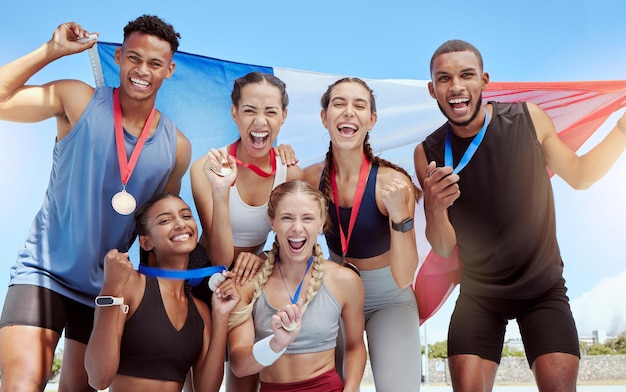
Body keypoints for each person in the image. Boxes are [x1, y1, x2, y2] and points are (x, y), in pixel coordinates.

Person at [413, 39, 626, 392]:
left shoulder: (527, 118)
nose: (456, 86)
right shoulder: (428, 152)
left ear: (484, 80)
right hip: (479, 293)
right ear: (432, 89)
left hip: (542, 289)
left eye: (466, 75)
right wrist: (434, 207)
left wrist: (620, 131)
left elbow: (580, 175)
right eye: (444, 78)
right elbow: (444, 246)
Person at [0, 15, 191, 392]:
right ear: (118, 56)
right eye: (134, 58)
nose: (142, 70)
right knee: (22, 383)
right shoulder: (78, 99)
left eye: (155, 63)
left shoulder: (177, 148)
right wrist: (50, 51)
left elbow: (157, 233)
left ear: (169, 71)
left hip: (105, 289)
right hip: (43, 272)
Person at [303, 77, 422, 391]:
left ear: (372, 120)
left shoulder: (392, 183)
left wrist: (400, 217)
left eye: (359, 105)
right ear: (324, 116)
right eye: (339, 103)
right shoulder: (310, 178)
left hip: (389, 297)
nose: (348, 112)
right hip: (335, 294)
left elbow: (405, 274)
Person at [189, 71, 303, 391]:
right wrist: (221, 191)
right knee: (200, 378)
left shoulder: (290, 171)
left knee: (245, 375)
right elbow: (220, 255)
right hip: (205, 274)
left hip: (255, 278)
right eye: (250, 110)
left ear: (283, 116)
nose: (260, 121)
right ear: (234, 113)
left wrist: (266, 255)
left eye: (270, 111)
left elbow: (298, 236)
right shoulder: (205, 168)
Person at [84, 193, 239, 392]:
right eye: (165, 220)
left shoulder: (201, 312)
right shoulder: (131, 285)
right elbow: (98, 378)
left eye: (186, 216)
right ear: (146, 242)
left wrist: (221, 316)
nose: (181, 224)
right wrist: (111, 290)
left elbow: (206, 390)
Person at [227, 180, 366, 392]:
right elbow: (239, 365)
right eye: (287, 218)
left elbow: (355, 346)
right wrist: (276, 344)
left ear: (321, 223)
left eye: (308, 218)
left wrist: (351, 389)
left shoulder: (345, 281)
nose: (297, 228)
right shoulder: (247, 282)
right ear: (272, 222)